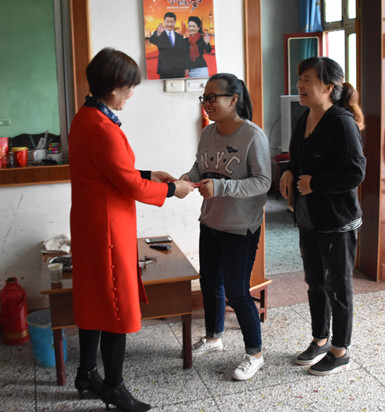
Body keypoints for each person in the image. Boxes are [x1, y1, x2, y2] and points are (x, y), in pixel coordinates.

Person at [69, 48, 194, 412]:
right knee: (115, 305)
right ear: (114, 88)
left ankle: (86, 374)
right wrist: (171, 190)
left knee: (94, 299)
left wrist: (150, 173)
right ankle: (114, 387)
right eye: (130, 87)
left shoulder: (86, 116)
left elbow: (111, 171)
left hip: (92, 224)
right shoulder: (102, 128)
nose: (132, 94)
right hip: (108, 230)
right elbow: (129, 185)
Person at [180, 73, 271, 380]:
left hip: (240, 227)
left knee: (237, 291)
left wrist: (220, 188)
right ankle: (213, 337)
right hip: (210, 221)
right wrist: (188, 178)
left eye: (213, 97)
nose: (207, 103)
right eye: (204, 98)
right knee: (209, 284)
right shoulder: (208, 132)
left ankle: (255, 354)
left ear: (233, 99)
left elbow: (263, 182)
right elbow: (201, 166)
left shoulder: (253, 136)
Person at [279, 57, 366, 376]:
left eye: (307, 80)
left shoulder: (342, 122)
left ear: (328, 87)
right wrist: (290, 170)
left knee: (338, 285)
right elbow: (298, 156)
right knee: (315, 282)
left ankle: (340, 350)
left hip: (336, 220)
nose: (300, 85)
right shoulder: (305, 116)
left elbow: (356, 172)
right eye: (300, 78)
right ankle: (320, 338)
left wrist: (316, 184)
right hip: (308, 216)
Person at [149, 12, 187, 79]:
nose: (169, 24)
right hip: (165, 70)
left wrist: (186, 67)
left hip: (179, 71)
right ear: (164, 22)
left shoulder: (179, 37)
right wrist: (159, 32)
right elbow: (152, 40)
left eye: (171, 22)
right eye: (167, 22)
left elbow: (183, 53)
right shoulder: (160, 34)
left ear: (174, 22)